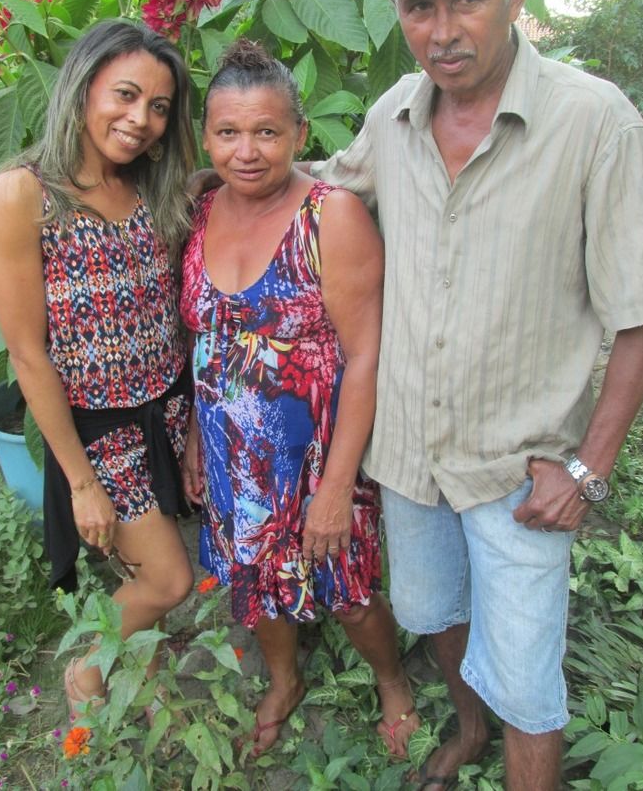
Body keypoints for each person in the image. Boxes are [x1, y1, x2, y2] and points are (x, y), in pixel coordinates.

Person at [305, 0, 643, 791]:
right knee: (437, 613)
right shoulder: (394, 114)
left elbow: (641, 316)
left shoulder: (595, 124)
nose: (442, 30)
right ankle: (468, 728)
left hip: (521, 470)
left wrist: (587, 469)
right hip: (412, 456)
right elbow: (324, 184)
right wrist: (224, 176)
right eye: (418, 4)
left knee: (531, 684)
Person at [179, 40, 420, 758]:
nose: (246, 151)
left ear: (299, 133)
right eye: (228, 132)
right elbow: (206, 341)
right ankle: (283, 680)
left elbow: (366, 355)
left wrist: (336, 488)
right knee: (252, 582)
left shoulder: (330, 216)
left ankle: (392, 681)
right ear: (206, 137)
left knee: (348, 590)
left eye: (266, 131)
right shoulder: (201, 210)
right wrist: (195, 437)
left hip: (317, 457)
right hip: (231, 455)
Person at [0, 19, 196, 718]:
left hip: (168, 409)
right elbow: (27, 353)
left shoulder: (149, 185)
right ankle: (85, 671)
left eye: (158, 107)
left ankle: (149, 682)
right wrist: (80, 483)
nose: (141, 120)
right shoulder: (24, 193)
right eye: (126, 95)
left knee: (146, 565)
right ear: (83, 85)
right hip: (101, 433)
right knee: (168, 579)